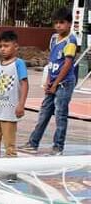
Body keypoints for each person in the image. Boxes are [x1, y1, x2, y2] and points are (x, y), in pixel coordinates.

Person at [20, 7, 77, 156]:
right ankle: (33, 143)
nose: (59, 26)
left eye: (62, 23)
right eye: (56, 23)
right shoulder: (53, 38)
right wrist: (48, 81)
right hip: (53, 81)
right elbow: (52, 60)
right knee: (44, 112)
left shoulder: (70, 40)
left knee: (60, 114)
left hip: (64, 84)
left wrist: (56, 83)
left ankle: (58, 146)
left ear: (69, 24)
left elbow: (67, 64)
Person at [0, 30, 28, 166]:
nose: (3, 49)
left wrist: (21, 104)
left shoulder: (18, 63)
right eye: (1, 46)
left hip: (9, 110)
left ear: (15, 47)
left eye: (6, 46)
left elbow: (24, 84)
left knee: (9, 144)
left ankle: (11, 170)